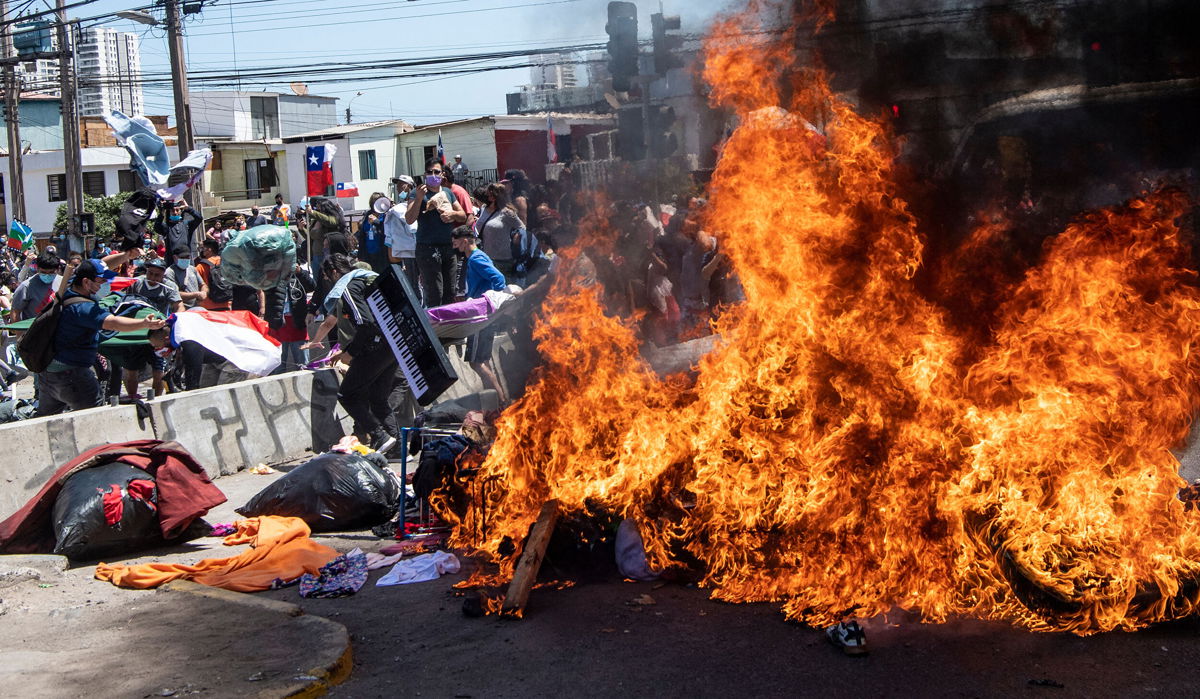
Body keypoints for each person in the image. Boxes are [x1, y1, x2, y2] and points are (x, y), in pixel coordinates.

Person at [36, 260, 165, 415]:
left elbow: (95, 265)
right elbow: (113, 323)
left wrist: (125, 255)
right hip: (73, 375)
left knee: (47, 421)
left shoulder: (67, 291)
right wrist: (144, 324)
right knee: (95, 419)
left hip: (48, 372)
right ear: (86, 282)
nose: (105, 285)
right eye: (101, 281)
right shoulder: (83, 308)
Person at [319, 253, 397, 453]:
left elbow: (366, 324)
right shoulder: (368, 279)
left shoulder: (349, 287)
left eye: (328, 278)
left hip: (375, 347)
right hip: (393, 344)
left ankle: (379, 435)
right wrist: (345, 352)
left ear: (334, 273)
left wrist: (350, 353)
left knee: (347, 395)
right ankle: (396, 449)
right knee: (378, 398)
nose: (329, 282)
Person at [450, 225, 507, 402]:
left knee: (476, 362)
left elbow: (499, 279)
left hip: (481, 316)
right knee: (484, 360)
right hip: (484, 316)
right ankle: (495, 401)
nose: (454, 247)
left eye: (456, 243)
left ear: (465, 240)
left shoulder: (476, 258)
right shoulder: (477, 257)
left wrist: (490, 303)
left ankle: (500, 400)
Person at [406, 157, 466, 307]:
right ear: (425, 174)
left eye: (436, 171)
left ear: (442, 174)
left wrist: (452, 215)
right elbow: (409, 218)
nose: (433, 174)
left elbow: (463, 215)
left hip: (448, 247)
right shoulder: (416, 193)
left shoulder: (447, 192)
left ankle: (448, 326)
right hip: (427, 249)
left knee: (450, 291)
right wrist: (419, 199)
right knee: (434, 293)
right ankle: (435, 328)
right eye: (429, 172)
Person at [119, 257, 183, 397]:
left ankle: (155, 399)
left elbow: (179, 306)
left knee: (158, 371)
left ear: (163, 275)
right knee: (131, 369)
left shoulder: (170, 287)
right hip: (136, 332)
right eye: (150, 273)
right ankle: (132, 398)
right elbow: (123, 300)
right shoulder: (137, 283)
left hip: (158, 334)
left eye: (157, 275)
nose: (153, 277)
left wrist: (171, 323)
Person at [265, 264, 314, 373]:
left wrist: (300, 272)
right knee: (277, 367)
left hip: (297, 323)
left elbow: (312, 286)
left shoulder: (298, 274)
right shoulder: (270, 273)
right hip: (277, 324)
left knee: (303, 367)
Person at [474, 181, 522, 280]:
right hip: (486, 257)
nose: (487, 196)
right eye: (487, 194)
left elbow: (522, 228)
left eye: (490, 195)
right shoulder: (484, 208)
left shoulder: (507, 212)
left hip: (503, 260)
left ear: (497, 197)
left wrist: (517, 236)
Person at [385, 176, 420, 294]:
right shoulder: (399, 206)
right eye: (397, 185)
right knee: (412, 281)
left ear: (410, 186)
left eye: (402, 184)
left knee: (417, 281)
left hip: (416, 247)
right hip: (407, 248)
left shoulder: (416, 202)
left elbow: (412, 226)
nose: (398, 187)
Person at [11, 250, 62, 323]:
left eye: (51, 272)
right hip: (34, 331)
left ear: (57, 270)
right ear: (37, 269)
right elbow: (15, 312)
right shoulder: (26, 286)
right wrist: (20, 333)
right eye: (43, 272)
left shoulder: (63, 283)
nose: (47, 275)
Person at [156, 200, 202, 265]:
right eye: (172, 210)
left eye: (177, 210)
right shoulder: (167, 227)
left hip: (187, 262)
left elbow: (199, 218)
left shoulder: (187, 225)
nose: (175, 213)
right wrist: (162, 213)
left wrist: (188, 208)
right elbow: (157, 227)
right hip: (171, 262)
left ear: (181, 211)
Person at [165, 244, 208, 309]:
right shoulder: (170, 272)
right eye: (182, 257)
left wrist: (204, 292)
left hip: (196, 307)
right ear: (175, 257)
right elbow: (173, 294)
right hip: (181, 309)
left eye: (188, 257)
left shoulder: (192, 269)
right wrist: (196, 294)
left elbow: (203, 284)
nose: (186, 259)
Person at [196, 239, 232, 311]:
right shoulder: (225, 262)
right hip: (226, 302)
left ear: (209, 249)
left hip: (208, 305)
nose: (201, 250)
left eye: (203, 248)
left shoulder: (201, 266)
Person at [359, 195, 390, 273]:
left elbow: (386, 229)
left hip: (382, 252)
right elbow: (362, 233)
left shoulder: (386, 214)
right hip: (368, 252)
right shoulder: (368, 215)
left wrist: (376, 222)